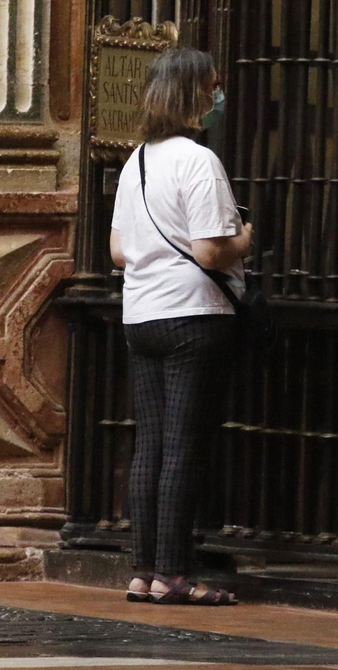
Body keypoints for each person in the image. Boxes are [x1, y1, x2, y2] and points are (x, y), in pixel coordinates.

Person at [109, 46, 252, 606]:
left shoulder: (136, 162)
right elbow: (210, 252)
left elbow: (118, 250)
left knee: (149, 444)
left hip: (141, 315)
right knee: (183, 446)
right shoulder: (198, 160)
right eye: (213, 85)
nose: (219, 96)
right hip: (193, 316)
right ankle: (174, 573)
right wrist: (246, 238)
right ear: (193, 93)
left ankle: (143, 570)